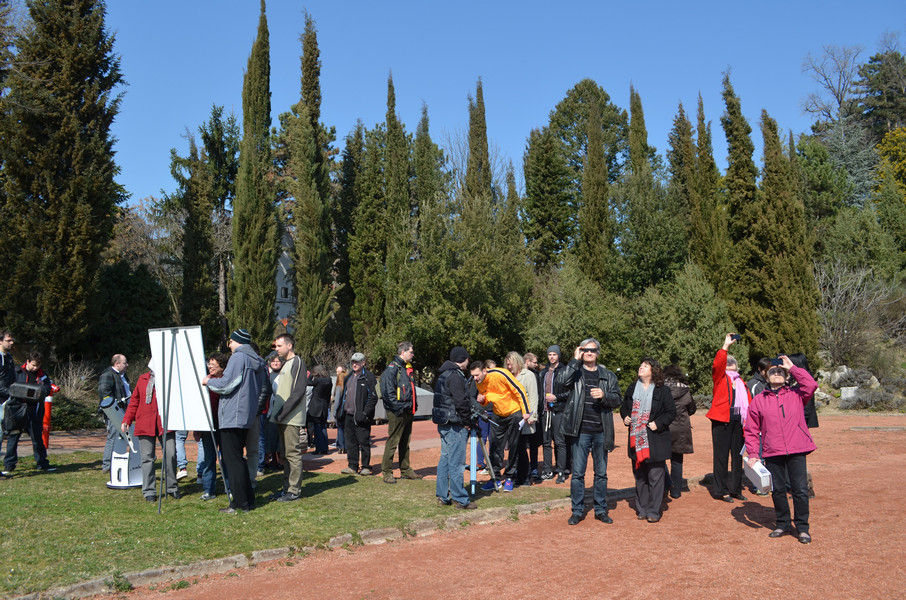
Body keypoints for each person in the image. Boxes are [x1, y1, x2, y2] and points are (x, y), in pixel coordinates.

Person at [744, 355, 818, 544]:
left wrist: (793, 368)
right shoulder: (758, 400)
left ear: (786, 377)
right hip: (772, 450)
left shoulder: (797, 394)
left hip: (796, 448)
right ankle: (783, 523)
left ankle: (802, 527)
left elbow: (811, 384)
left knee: (800, 490)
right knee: (777, 490)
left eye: (780, 372)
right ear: (766, 376)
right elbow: (751, 429)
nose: (776, 374)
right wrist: (753, 453)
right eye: (772, 371)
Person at [558, 339, 621, 525]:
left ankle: (600, 509)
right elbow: (561, 381)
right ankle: (577, 511)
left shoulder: (608, 376)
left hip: (601, 431)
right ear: (581, 352)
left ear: (598, 353)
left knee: (601, 473)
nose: (589, 353)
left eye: (592, 350)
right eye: (585, 350)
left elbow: (617, 399)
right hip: (580, 431)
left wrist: (604, 396)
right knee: (578, 474)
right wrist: (574, 360)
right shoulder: (575, 373)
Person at [203, 328, 267, 514]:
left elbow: (227, 384)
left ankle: (239, 503)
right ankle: (248, 500)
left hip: (232, 416)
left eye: (231, 341)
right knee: (238, 459)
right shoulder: (256, 360)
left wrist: (208, 382)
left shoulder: (239, 357)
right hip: (245, 415)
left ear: (238, 341)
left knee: (233, 461)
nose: (229, 345)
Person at [621, 358, 676, 522]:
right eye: (641, 365)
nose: (641, 368)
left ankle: (653, 511)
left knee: (655, 477)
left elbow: (671, 412)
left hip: (656, 439)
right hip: (635, 439)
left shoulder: (663, 390)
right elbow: (625, 407)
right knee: (640, 477)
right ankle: (642, 509)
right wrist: (625, 416)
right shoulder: (632, 388)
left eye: (645, 366)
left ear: (653, 371)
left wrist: (658, 423)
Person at [121, 359, 179, 502]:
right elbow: (134, 401)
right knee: (147, 458)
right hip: (145, 423)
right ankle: (149, 491)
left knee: (170, 455)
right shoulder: (143, 379)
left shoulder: (169, 379)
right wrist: (127, 419)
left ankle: (172, 487)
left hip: (165, 424)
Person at [473, 361, 530, 493]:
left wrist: (526, 411)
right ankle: (495, 478)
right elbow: (487, 399)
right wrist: (483, 401)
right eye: (473, 376)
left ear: (484, 371)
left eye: (477, 375)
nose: (475, 378)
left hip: (514, 412)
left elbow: (519, 389)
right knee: (495, 446)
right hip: (498, 414)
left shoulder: (500, 373)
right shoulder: (478, 382)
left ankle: (509, 477)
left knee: (514, 445)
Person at [706, 333, 751, 503]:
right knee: (721, 456)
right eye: (728, 361)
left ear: (737, 366)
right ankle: (722, 490)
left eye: (733, 362)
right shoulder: (720, 378)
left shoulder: (742, 383)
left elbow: (749, 404)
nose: (730, 363)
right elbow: (718, 364)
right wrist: (725, 347)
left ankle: (736, 489)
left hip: (739, 422)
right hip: (721, 421)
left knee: (738, 457)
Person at [432, 346, 476, 509]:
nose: (468, 362)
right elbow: (461, 402)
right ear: (462, 359)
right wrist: (467, 421)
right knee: (457, 462)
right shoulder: (455, 376)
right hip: (454, 423)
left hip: (444, 422)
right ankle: (460, 499)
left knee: (445, 459)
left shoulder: (444, 374)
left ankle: (443, 496)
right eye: (467, 359)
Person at [269, 333, 308, 502]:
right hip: (283, 417)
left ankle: (294, 491)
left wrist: (283, 412)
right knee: (285, 455)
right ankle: (286, 489)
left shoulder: (297, 362)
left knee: (292, 454)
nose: (276, 349)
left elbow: (298, 391)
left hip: (290, 418)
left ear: (289, 346)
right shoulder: (286, 364)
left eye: (279, 346)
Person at [3, 351, 55, 473]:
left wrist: (42, 389)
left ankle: (42, 463)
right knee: (13, 437)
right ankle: (9, 465)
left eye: (38, 365)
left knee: (37, 438)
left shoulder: (42, 375)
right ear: (28, 361)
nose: (35, 368)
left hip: (34, 410)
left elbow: (48, 389)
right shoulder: (17, 371)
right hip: (18, 409)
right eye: (33, 365)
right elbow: (10, 387)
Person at [380, 341, 421, 484]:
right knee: (393, 441)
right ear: (403, 352)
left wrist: (411, 406)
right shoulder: (393, 368)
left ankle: (405, 469)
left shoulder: (405, 368)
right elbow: (387, 391)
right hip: (397, 411)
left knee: (405, 442)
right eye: (411, 352)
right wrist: (398, 408)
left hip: (407, 410)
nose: (413, 354)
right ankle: (387, 472)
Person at [197, 353, 229, 500]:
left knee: (227, 457)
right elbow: (199, 404)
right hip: (208, 425)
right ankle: (208, 490)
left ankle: (230, 488)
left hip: (225, 424)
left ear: (222, 367)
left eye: (213, 365)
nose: (210, 367)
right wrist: (198, 428)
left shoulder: (226, 380)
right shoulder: (204, 380)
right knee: (209, 458)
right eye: (209, 364)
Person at [340, 352, 378, 476]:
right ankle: (352, 466)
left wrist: (365, 413)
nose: (354, 364)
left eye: (357, 362)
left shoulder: (368, 377)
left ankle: (366, 466)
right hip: (348, 415)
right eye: (353, 362)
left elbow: (373, 397)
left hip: (362, 417)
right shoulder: (348, 377)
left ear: (363, 363)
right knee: (351, 442)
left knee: (364, 442)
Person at [506, 352, 538, 487]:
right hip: (511, 416)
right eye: (507, 364)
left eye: (511, 364)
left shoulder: (528, 375)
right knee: (514, 447)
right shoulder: (508, 375)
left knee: (521, 446)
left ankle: (524, 476)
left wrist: (532, 415)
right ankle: (518, 474)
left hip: (524, 417)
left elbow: (533, 396)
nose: (509, 366)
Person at [538, 345, 569, 483]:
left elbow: (570, 392)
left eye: (554, 354)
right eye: (549, 354)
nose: (551, 357)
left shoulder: (564, 371)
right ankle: (547, 470)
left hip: (559, 411)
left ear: (558, 356)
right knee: (546, 442)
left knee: (560, 442)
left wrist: (557, 397)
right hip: (545, 412)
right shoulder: (543, 372)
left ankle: (561, 471)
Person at [663, 365, 695, 499]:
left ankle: (665, 486)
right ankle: (676, 490)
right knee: (677, 460)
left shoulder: (661, 389)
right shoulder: (685, 389)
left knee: (660, 459)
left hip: (664, 427)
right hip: (681, 428)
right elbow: (692, 409)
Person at [97, 353, 130, 473]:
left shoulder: (123, 376)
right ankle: (107, 465)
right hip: (113, 412)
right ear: (117, 363)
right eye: (125, 363)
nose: (127, 365)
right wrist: (115, 406)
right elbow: (104, 393)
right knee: (113, 436)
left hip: (124, 411)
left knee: (123, 437)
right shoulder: (107, 375)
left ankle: (118, 462)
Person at [258, 351, 283, 475]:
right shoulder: (268, 374)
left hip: (278, 409)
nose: (275, 363)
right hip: (268, 409)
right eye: (273, 361)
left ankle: (280, 461)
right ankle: (268, 460)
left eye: (278, 361)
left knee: (278, 437)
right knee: (268, 436)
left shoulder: (283, 375)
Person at [307, 365, 332, 455]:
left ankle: (319, 449)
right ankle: (324, 448)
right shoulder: (329, 381)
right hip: (324, 406)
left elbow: (307, 382)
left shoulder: (318, 381)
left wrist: (310, 375)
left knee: (317, 429)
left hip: (316, 407)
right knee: (323, 427)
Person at [331, 365, 348, 454]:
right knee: (346, 429)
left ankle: (341, 446)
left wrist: (334, 412)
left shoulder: (339, 387)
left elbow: (337, 401)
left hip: (340, 411)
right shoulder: (348, 386)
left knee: (340, 428)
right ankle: (346, 446)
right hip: (347, 410)